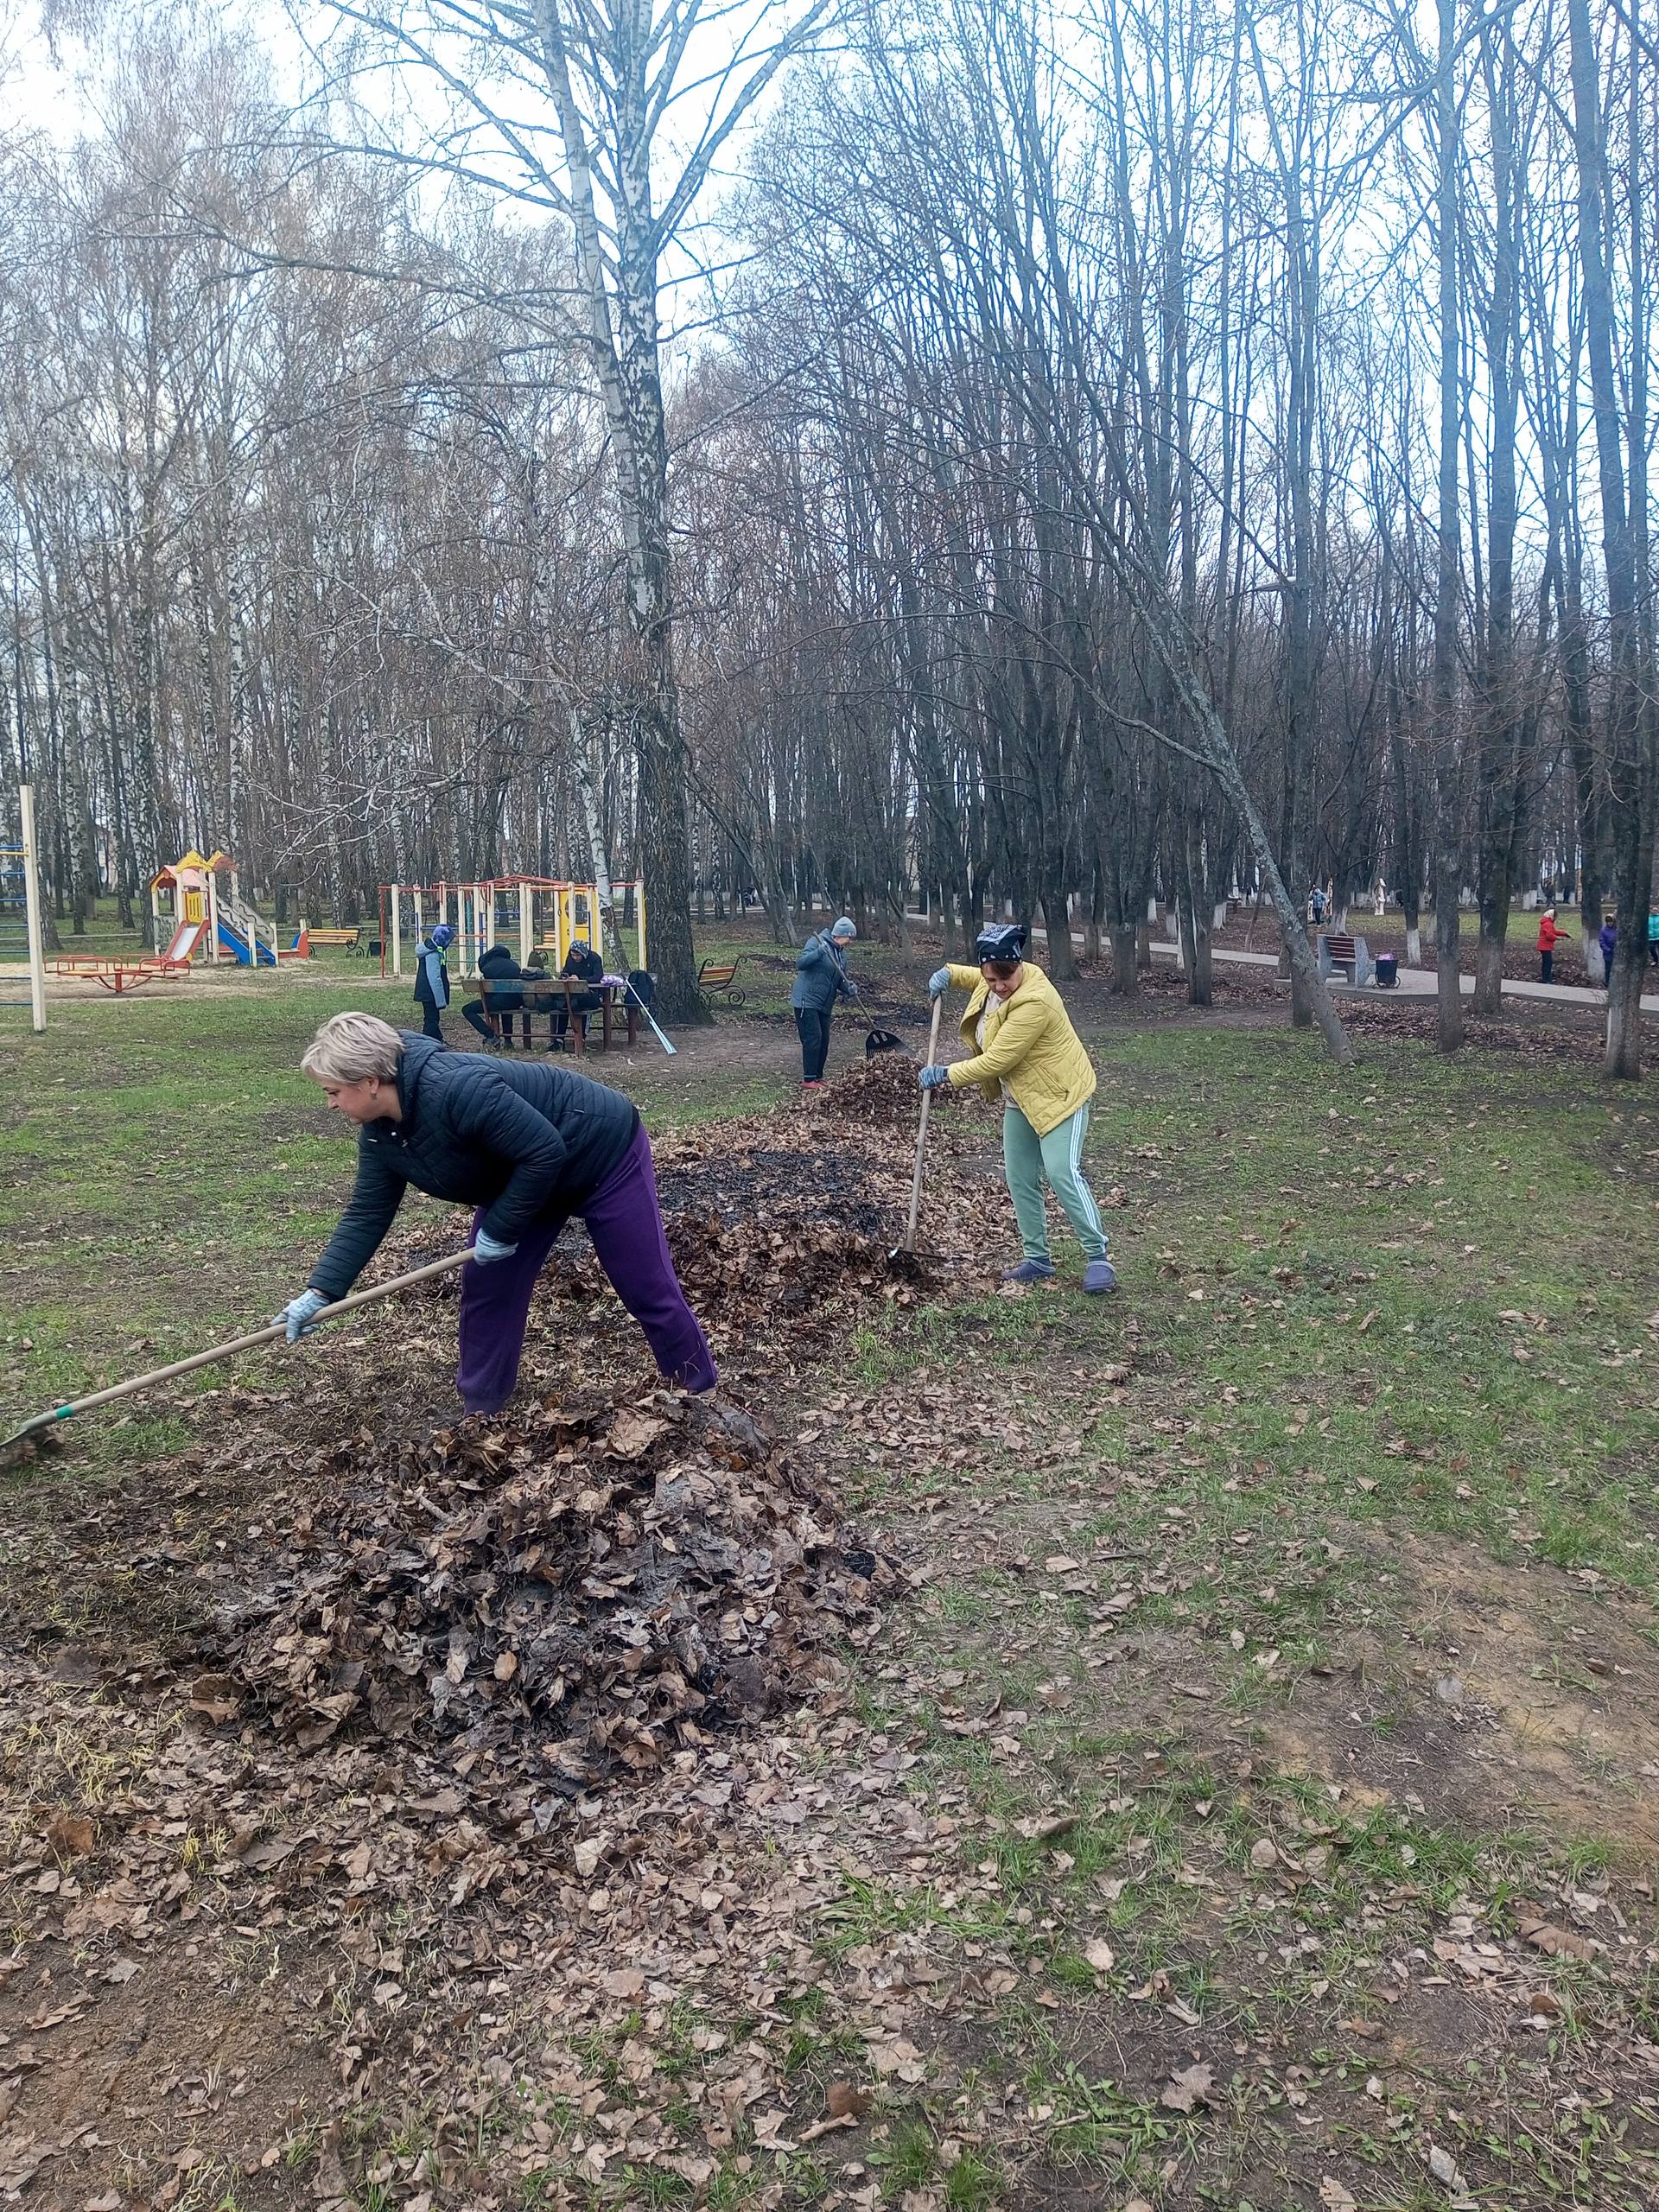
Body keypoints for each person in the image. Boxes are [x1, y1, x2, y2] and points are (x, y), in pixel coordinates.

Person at [274, 1012, 715, 1417]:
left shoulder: (457, 1087)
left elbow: (544, 1152)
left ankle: (698, 1394)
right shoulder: (381, 1132)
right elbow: (367, 1211)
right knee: (488, 1290)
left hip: (599, 1154)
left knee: (645, 1285)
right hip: (523, 1180)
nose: (330, 1105)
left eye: (333, 1092)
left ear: (370, 1081)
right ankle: (481, 1410)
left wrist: (501, 1228)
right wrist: (321, 1292)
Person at [921, 924, 1115, 1294]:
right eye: (989, 978)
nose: (997, 986)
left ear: (1018, 965)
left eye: (1003, 979)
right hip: (1021, 1099)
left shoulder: (1034, 1000)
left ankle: (1098, 1256)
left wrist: (945, 1074)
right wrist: (949, 972)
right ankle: (1037, 1258)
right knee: (1020, 1177)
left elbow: (997, 1061)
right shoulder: (992, 979)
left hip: (1061, 1096)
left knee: (1062, 1173)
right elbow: (976, 978)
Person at [791, 916, 859, 1089]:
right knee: (813, 1038)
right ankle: (808, 1079)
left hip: (824, 1003)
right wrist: (819, 952)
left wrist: (848, 988)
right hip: (807, 1000)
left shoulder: (841, 955)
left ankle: (818, 1077)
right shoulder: (816, 942)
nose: (850, 941)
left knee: (824, 1040)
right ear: (840, 934)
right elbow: (801, 963)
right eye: (849, 937)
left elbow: (839, 980)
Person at [463, 942, 526, 1048]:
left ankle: (490, 1035)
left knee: (467, 1009)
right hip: (516, 1002)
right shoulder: (514, 965)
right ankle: (508, 1040)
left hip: (499, 1002)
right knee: (506, 1003)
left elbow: (488, 994)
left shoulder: (488, 967)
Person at [413, 921, 454, 1039]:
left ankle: (437, 1038)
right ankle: (428, 1041)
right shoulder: (433, 954)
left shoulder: (433, 950)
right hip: (430, 993)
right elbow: (434, 978)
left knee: (431, 1018)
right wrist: (440, 1000)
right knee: (432, 1019)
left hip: (427, 992)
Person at [1536, 907, 1567, 985]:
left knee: (1546, 963)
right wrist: (1557, 938)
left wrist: (1564, 933)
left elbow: (1553, 931)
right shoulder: (1547, 924)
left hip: (1545, 946)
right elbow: (1549, 935)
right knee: (1548, 963)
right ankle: (1546, 979)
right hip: (1545, 946)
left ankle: (1545, 978)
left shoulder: (1548, 923)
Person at [1599, 912, 1618, 988]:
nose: (1610, 923)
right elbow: (1601, 941)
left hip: (1617, 952)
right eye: (1608, 922)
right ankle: (1607, 982)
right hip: (1608, 953)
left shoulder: (1617, 929)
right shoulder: (1604, 930)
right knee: (1608, 968)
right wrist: (1608, 949)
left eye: (1611, 921)